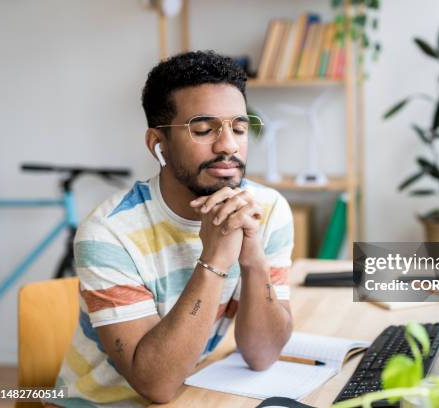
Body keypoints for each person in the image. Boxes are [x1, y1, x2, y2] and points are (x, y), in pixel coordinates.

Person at [50, 51, 294, 407]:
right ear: (158, 144)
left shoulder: (267, 210)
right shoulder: (109, 233)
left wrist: (253, 258)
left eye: (239, 128)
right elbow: (156, 386)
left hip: (190, 392)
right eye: (203, 129)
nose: (228, 145)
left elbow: (263, 355)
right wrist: (214, 259)